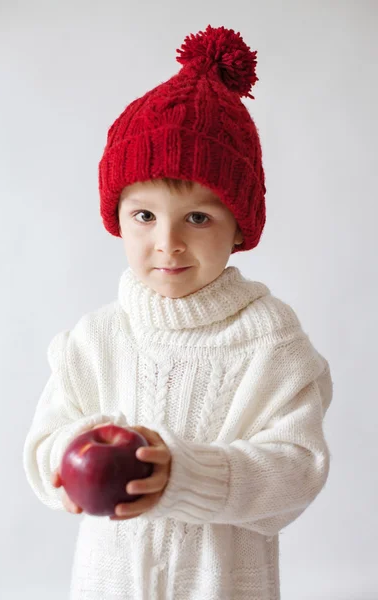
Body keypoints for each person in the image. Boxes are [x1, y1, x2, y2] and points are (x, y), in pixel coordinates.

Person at [23, 24, 333, 600]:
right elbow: (43, 442)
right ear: (117, 216)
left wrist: (184, 474)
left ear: (239, 226)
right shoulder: (96, 338)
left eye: (197, 218)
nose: (167, 242)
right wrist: (69, 461)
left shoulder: (271, 343)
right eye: (145, 216)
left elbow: (296, 469)